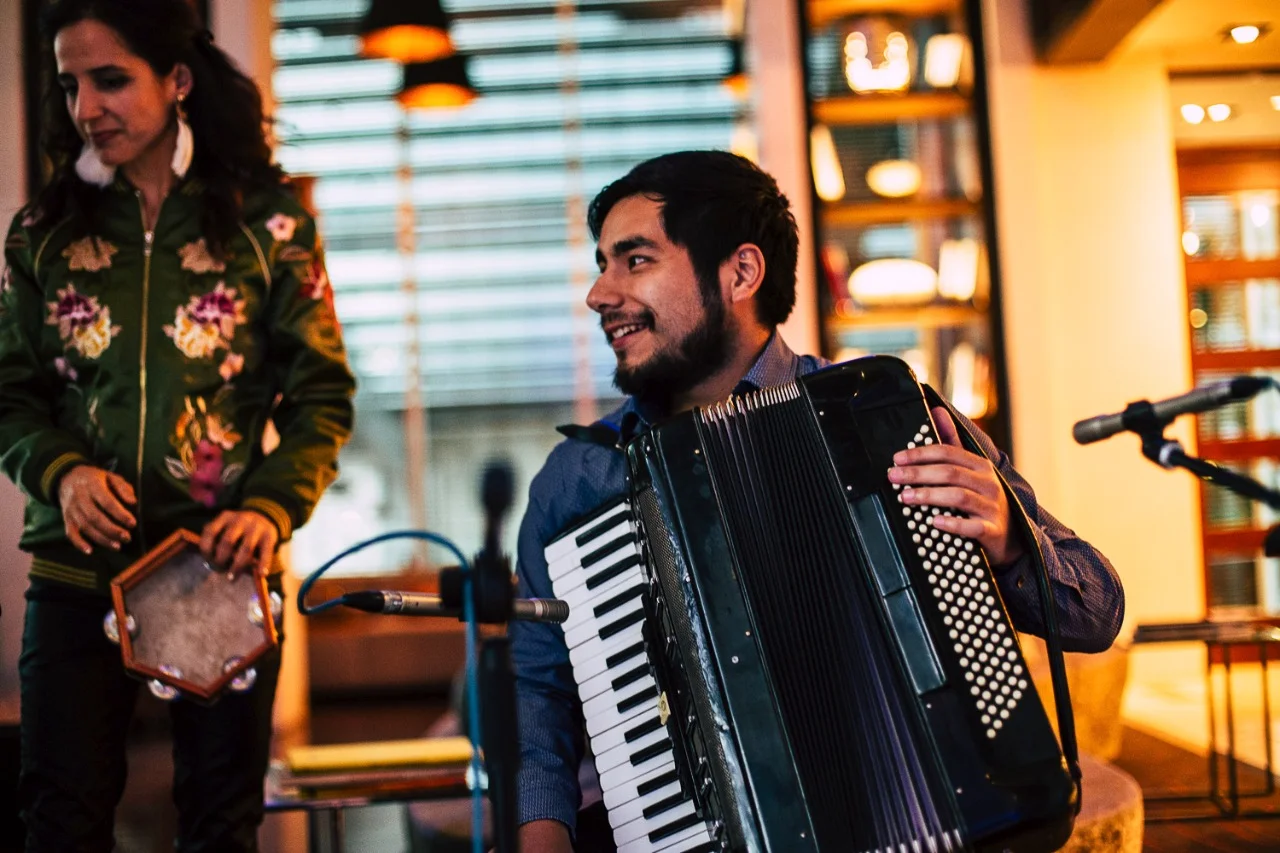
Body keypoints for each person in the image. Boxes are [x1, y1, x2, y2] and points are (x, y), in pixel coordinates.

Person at [509, 150, 1125, 851]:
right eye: (601, 263)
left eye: (635, 260)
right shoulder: (580, 479)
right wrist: (542, 830)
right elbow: (540, 689)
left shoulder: (887, 417)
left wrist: (1014, 540)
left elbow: (1098, 609)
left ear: (740, 272)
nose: (599, 292)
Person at [0, 0, 356, 849]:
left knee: (221, 827)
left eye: (112, 79)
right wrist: (63, 473)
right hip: (75, 580)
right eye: (71, 84)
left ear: (179, 82)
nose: (87, 106)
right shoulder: (43, 234)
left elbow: (322, 399)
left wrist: (270, 508)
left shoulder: (269, 226)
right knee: (60, 823)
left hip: (219, 575)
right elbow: (10, 392)